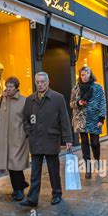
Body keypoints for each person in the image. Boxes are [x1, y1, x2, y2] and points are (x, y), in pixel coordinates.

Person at [20, 72, 73, 207]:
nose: (40, 84)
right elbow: (25, 118)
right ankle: (32, 198)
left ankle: (57, 194)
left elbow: (64, 120)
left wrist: (68, 139)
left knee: (53, 170)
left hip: (51, 138)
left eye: (43, 82)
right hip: (36, 139)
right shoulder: (30, 99)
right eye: (37, 82)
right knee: (35, 171)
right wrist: (28, 133)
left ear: (48, 82)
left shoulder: (58, 98)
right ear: (35, 83)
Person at [0, 77, 30, 201]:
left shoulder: (24, 101)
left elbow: (28, 119)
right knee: (10, 165)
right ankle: (17, 189)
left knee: (16, 165)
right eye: (7, 86)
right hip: (4, 138)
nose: (8, 88)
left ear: (17, 87)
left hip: (18, 138)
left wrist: (27, 134)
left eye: (11, 86)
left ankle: (20, 190)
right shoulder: (1, 99)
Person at [70, 66, 107, 179]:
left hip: (95, 119)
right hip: (81, 120)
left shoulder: (98, 87)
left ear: (90, 74)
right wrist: (78, 103)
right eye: (82, 74)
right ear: (80, 76)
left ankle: (97, 160)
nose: (84, 76)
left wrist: (101, 119)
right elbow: (71, 103)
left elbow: (102, 103)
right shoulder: (76, 88)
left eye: (86, 74)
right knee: (84, 143)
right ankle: (88, 168)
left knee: (95, 143)